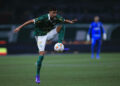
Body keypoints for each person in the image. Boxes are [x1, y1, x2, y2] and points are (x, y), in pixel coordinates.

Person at [14, 7, 77, 84]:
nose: (55, 14)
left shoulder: (57, 17)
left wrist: (70, 21)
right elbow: (30, 21)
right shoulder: (43, 18)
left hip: (48, 33)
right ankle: (37, 75)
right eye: (53, 12)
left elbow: (64, 20)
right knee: (42, 55)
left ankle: (59, 45)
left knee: (61, 26)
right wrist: (19, 27)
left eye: (56, 12)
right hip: (40, 36)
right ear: (49, 12)